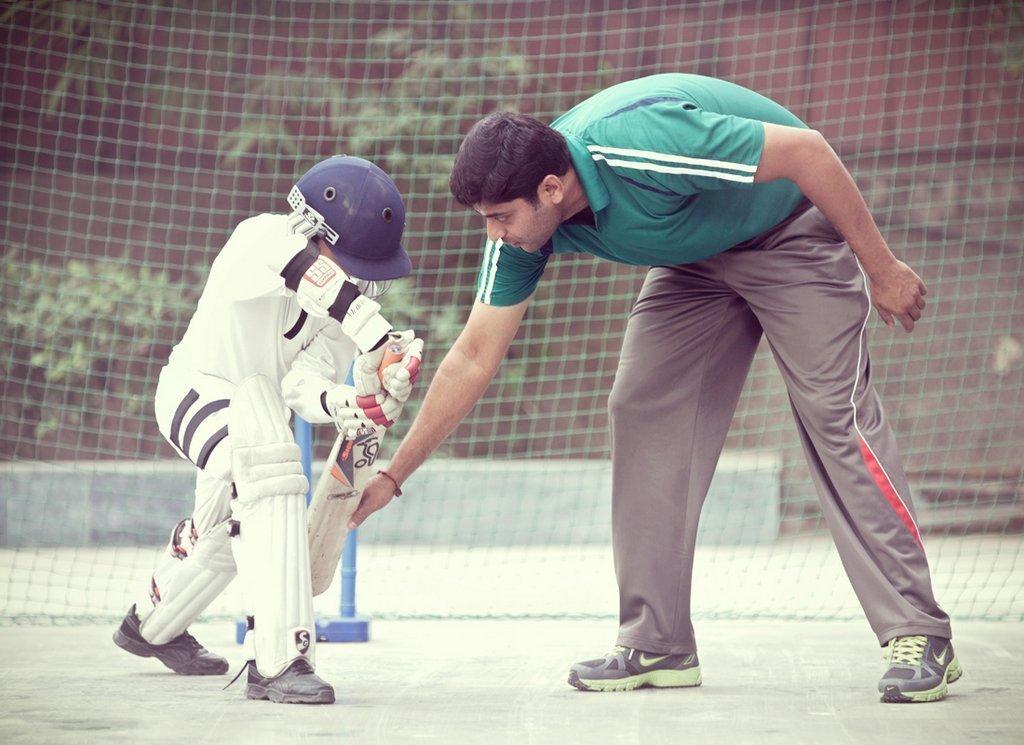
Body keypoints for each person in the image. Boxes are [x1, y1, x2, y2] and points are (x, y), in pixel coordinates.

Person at [346, 74, 960, 704]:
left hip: (787, 231)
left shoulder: (638, 144)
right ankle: (657, 639)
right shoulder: (526, 226)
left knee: (836, 417)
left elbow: (808, 151)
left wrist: (881, 267)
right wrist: (394, 476)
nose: (494, 234)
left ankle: (919, 631)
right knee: (641, 406)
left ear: (551, 188)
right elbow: (474, 356)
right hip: (693, 261)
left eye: (500, 217)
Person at [112, 155, 424, 705]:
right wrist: (377, 335)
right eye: (354, 260)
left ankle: (150, 627)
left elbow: (306, 386)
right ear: (314, 229)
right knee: (269, 466)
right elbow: (312, 277)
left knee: (226, 536)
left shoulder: (340, 312)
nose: (364, 277)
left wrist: (353, 402)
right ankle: (279, 658)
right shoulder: (259, 239)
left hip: (258, 416)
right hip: (196, 391)